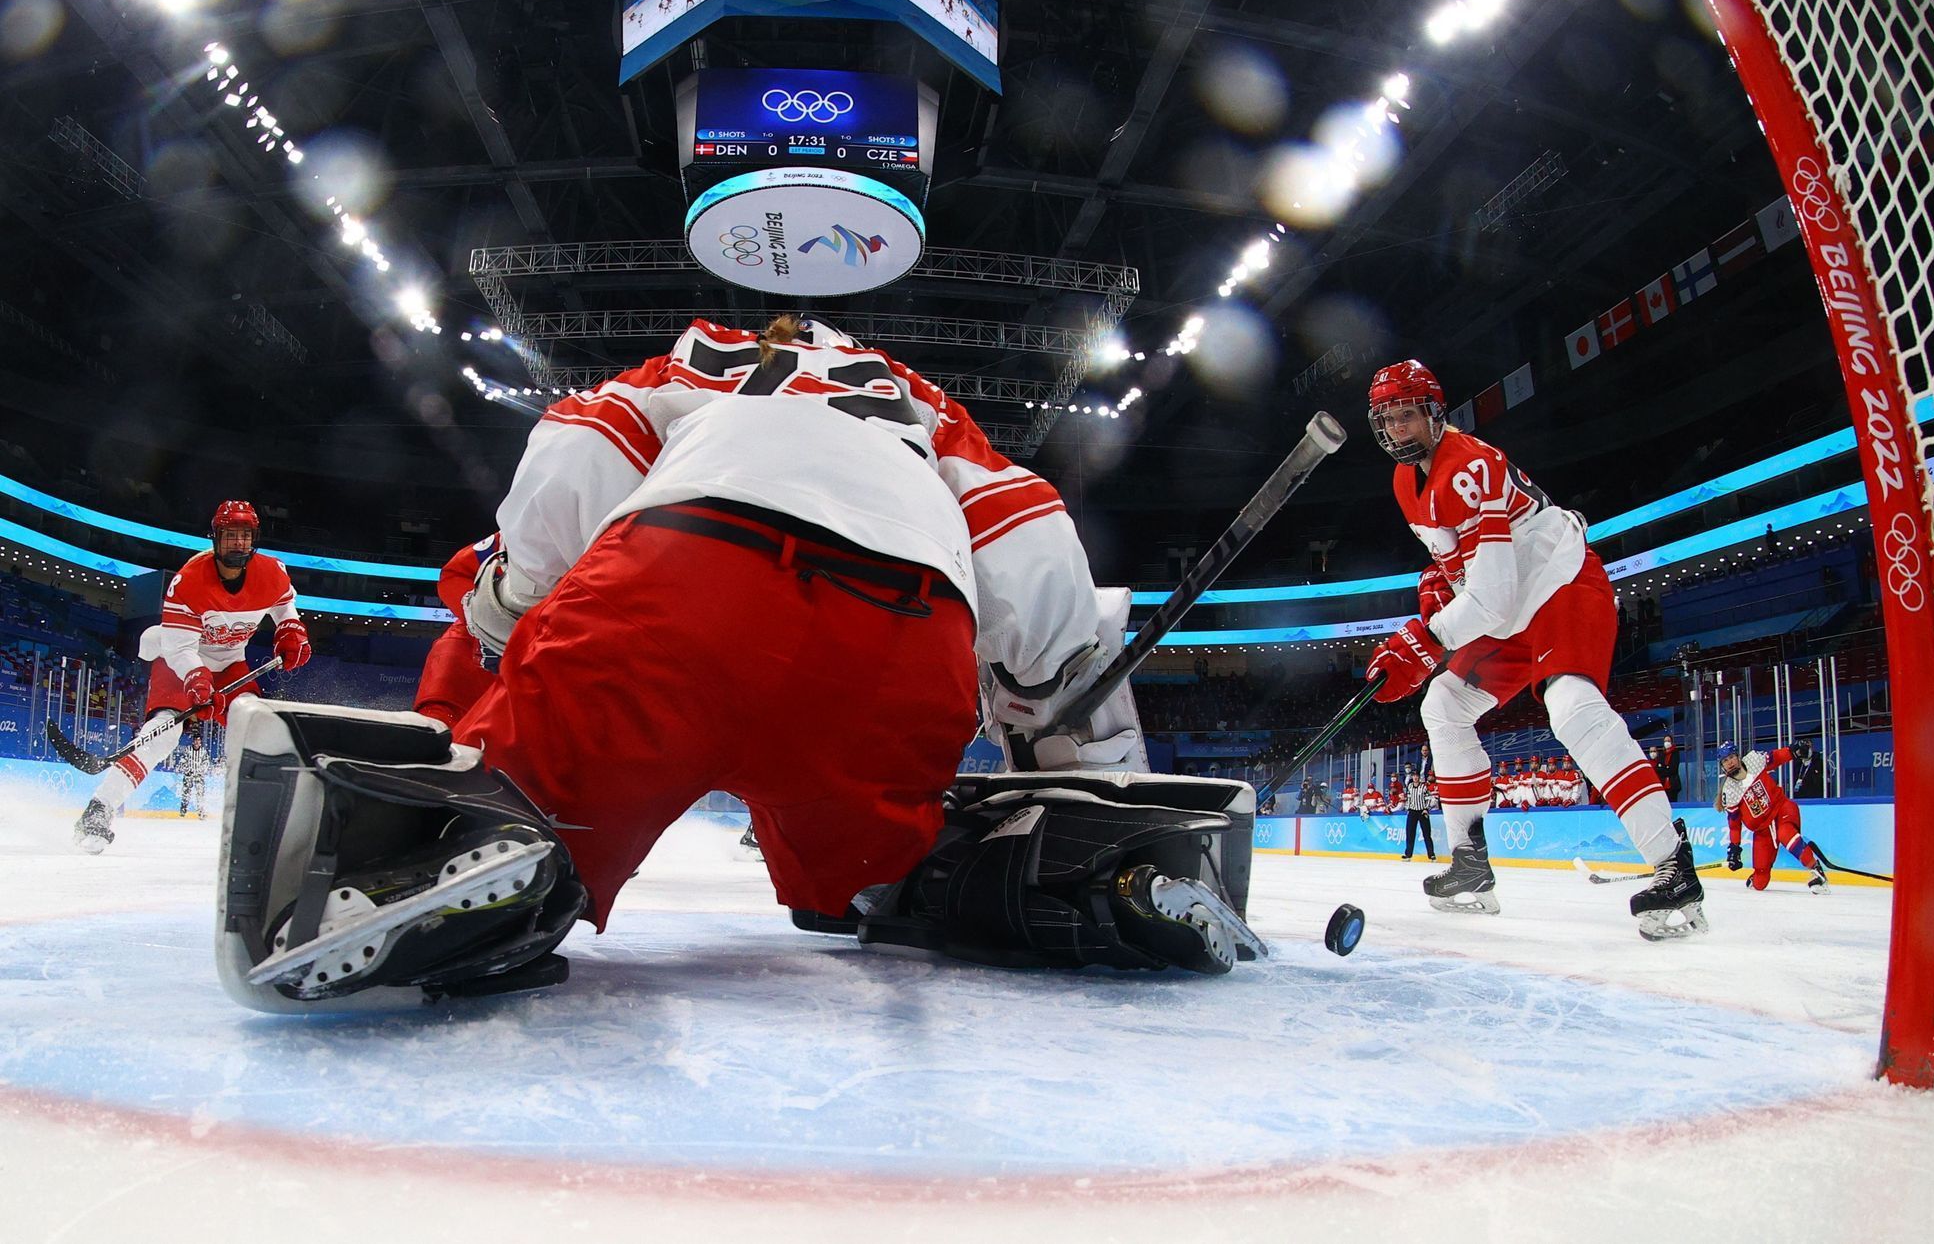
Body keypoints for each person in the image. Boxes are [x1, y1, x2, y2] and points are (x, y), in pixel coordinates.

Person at [212, 316, 1261, 1012]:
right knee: (881, 876)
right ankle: (1076, 876)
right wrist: (1050, 720)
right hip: (894, 631)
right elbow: (1028, 540)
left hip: (682, 578)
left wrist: (518, 597)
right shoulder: (924, 409)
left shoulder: (702, 365)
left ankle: (483, 858)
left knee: (528, 806)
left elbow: (578, 452)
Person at [1362, 359, 1704, 938]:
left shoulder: (1469, 466)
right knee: (1443, 705)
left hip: (1559, 584)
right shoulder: (1405, 482)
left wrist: (1428, 639)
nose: (1398, 429)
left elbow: (1492, 596)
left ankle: (1674, 868)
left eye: (1408, 416)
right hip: (1510, 605)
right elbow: (1472, 569)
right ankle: (1470, 865)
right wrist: (1438, 585)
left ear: (1434, 413)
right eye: (1388, 419)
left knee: (1572, 708)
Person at [73, 501, 311, 853]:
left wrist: (290, 630)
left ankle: (275, 821)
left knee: (258, 728)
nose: (238, 544)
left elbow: (283, 606)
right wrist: (197, 681)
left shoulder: (272, 572)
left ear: (254, 539)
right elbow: (180, 649)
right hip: (179, 660)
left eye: (244, 537)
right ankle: (99, 809)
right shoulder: (189, 581)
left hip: (231, 663)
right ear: (215, 538)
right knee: (161, 735)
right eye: (230, 536)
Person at [410, 533, 500, 729]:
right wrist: (493, 624)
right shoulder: (532, 528)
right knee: (438, 736)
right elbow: (455, 574)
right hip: (469, 658)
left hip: (537, 667)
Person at [1718, 741, 1828, 893]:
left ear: (1737, 756)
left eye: (1731, 757)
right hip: (1763, 831)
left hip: (1782, 809)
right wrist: (1734, 849)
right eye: (1724, 761)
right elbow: (1734, 825)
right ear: (1722, 766)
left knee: (1785, 834)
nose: (1729, 762)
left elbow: (1775, 757)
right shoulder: (1729, 791)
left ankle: (1817, 871)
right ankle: (1758, 875)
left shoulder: (1753, 760)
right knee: (1759, 883)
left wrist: (1792, 751)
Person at [1402, 771, 1435, 862]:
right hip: (1412, 811)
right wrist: (1408, 808)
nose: (1415, 778)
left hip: (1422, 811)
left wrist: (1426, 809)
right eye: (1414, 776)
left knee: (1426, 834)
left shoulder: (1423, 787)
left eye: (1417, 776)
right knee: (1410, 833)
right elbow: (1408, 798)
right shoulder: (1410, 786)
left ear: (1419, 777)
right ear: (1412, 777)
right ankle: (1408, 854)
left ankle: (1431, 855)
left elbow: (1428, 798)